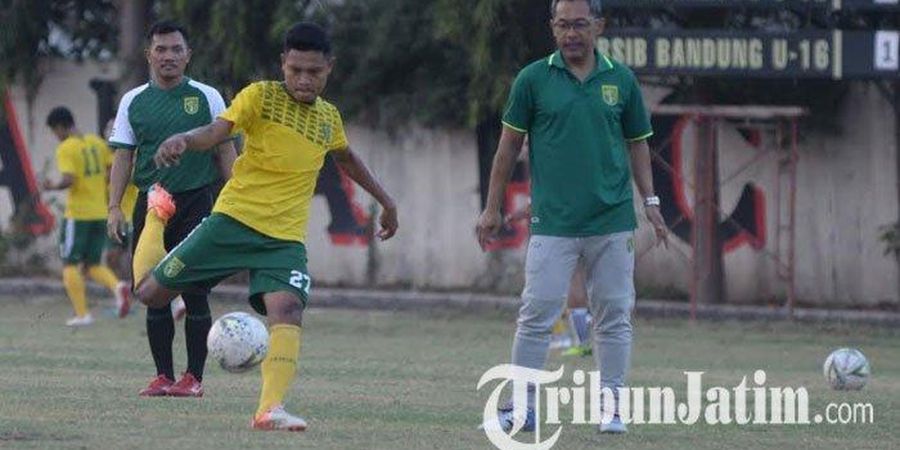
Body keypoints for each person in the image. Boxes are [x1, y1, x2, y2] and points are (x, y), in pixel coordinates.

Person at [138, 22, 398, 431]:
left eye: (313, 71)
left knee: (288, 309)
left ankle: (268, 409)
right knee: (150, 294)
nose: (303, 79)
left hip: (283, 240)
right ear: (283, 64)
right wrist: (185, 139)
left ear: (329, 68)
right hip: (232, 221)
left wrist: (386, 201)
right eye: (295, 69)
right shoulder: (260, 96)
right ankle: (158, 217)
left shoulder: (329, 118)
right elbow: (215, 132)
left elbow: (346, 159)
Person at [476, 0, 668, 434]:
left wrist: (652, 204)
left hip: (613, 221)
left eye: (580, 24)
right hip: (553, 223)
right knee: (537, 312)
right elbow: (508, 147)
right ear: (552, 27)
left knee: (615, 314)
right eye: (562, 25)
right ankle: (524, 408)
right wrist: (492, 207)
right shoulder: (532, 79)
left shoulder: (620, 80)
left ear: (599, 26)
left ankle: (612, 408)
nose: (571, 34)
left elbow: (638, 144)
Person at [107, 20, 237, 398]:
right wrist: (114, 206)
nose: (168, 56)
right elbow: (123, 156)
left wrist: (237, 202)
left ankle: (193, 379)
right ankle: (163, 376)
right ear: (149, 54)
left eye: (175, 49)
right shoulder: (133, 100)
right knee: (152, 292)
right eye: (161, 49)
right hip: (150, 209)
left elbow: (226, 150)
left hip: (197, 204)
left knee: (195, 292)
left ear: (187, 55)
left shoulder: (209, 97)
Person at [43, 107, 130, 326]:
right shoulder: (96, 142)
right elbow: (113, 168)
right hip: (100, 212)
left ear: (60, 127)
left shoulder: (66, 147)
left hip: (78, 215)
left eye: (55, 131)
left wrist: (50, 185)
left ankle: (82, 315)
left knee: (70, 263)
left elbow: (68, 179)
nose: (56, 136)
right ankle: (118, 287)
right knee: (91, 264)